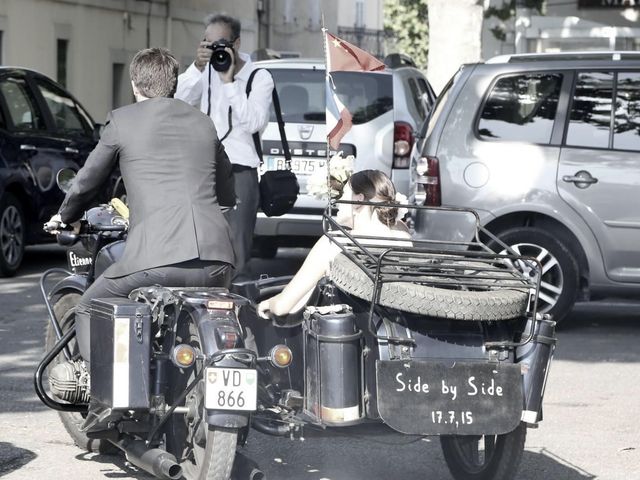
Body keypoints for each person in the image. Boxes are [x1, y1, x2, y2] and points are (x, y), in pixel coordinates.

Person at [47, 47, 235, 364]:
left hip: (155, 262)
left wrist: (64, 216)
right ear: (173, 85)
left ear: (135, 85)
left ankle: (103, 399)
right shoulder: (203, 123)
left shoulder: (122, 121)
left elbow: (86, 181)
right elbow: (228, 192)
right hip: (217, 264)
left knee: (90, 306)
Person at [175, 13, 274, 278]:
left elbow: (253, 122)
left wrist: (229, 83)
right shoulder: (204, 71)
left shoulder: (259, 77)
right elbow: (178, 100)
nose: (214, 50)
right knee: (200, 240)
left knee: (237, 246)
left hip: (240, 169)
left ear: (237, 43)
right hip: (204, 166)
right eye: (208, 43)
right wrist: (196, 66)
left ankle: (234, 307)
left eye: (220, 43)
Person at [258, 170, 411, 318]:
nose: (338, 203)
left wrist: (268, 304)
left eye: (344, 194)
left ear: (358, 200)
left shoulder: (336, 242)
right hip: (400, 324)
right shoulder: (402, 234)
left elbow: (283, 306)